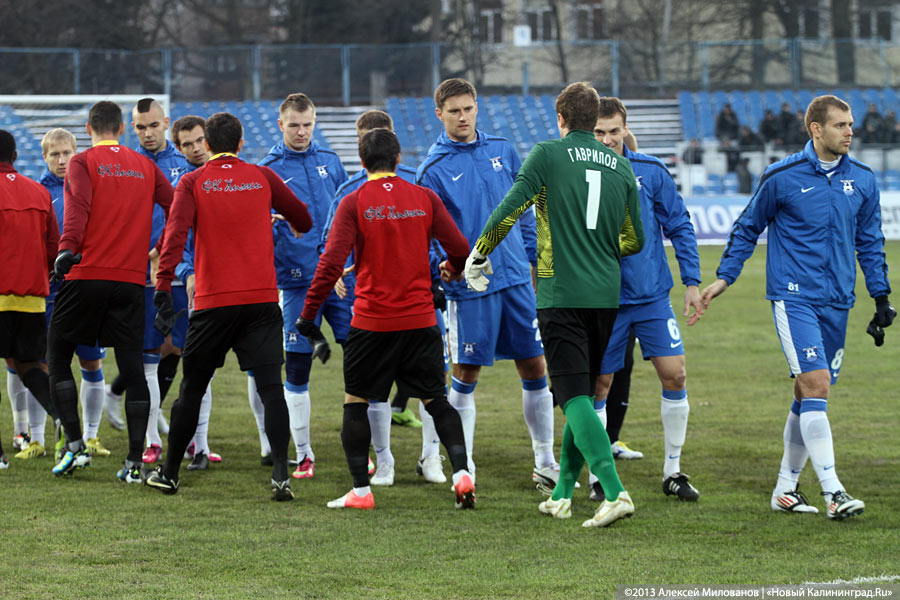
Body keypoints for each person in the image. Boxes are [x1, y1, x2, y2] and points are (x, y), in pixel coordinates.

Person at [700, 95, 894, 519]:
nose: (850, 132)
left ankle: (785, 488)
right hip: (793, 297)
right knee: (818, 384)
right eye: (841, 125)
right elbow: (747, 226)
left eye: (851, 124)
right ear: (816, 129)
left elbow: (870, 241)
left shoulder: (861, 179)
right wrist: (724, 278)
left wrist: (881, 296)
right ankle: (833, 491)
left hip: (839, 299)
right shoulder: (782, 176)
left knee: (808, 393)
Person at [466, 81, 644, 527]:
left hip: (561, 292)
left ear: (561, 119)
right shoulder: (621, 168)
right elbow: (634, 239)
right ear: (594, 119)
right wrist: (599, 248)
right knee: (580, 391)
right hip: (606, 295)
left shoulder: (547, 154)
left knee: (570, 395)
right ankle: (562, 493)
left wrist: (480, 250)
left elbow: (511, 206)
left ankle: (615, 490)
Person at [298, 128, 474, 510]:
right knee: (436, 400)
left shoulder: (353, 200)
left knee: (356, 402)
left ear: (361, 164)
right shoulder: (423, 197)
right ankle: (462, 474)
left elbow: (330, 264)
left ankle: (361, 491)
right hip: (421, 320)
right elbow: (460, 248)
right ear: (398, 160)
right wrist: (452, 267)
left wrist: (308, 315)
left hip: (372, 323)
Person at [145, 112, 312, 501]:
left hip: (213, 302)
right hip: (261, 300)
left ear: (207, 145)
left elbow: (175, 235)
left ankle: (169, 474)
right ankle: (282, 476)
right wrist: (283, 220)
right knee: (272, 389)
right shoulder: (264, 177)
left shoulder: (193, 181)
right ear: (240, 144)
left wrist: (163, 281)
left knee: (192, 388)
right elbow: (303, 216)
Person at [417, 78, 557, 491]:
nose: (463, 117)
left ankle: (546, 461)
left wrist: (533, 262)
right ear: (439, 113)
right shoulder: (432, 170)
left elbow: (527, 211)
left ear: (477, 108)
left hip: (516, 280)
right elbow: (422, 235)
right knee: (465, 371)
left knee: (535, 366)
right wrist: (439, 266)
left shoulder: (504, 150)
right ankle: (465, 466)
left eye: (469, 109)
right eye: (454, 111)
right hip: (472, 288)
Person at [46, 101, 173, 480]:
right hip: (131, 280)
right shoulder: (146, 165)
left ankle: (74, 445)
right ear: (122, 128)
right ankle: (135, 462)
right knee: (132, 368)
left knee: (57, 357)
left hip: (86, 274)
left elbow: (78, 208)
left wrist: (66, 249)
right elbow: (178, 206)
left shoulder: (83, 163)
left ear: (89, 129)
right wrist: (161, 247)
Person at [323, 109, 450, 487]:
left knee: (435, 379)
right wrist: (339, 274)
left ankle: (431, 457)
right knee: (370, 386)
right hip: (373, 303)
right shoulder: (348, 192)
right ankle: (385, 460)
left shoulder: (419, 183)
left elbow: (439, 237)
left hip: (421, 299)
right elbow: (331, 244)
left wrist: (440, 270)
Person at [591, 97, 703, 503]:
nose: (607, 140)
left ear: (626, 130)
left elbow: (680, 224)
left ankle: (673, 470)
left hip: (652, 297)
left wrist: (692, 281)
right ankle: (597, 475)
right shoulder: (579, 176)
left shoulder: (651, 172)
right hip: (602, 299)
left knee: (675, 375)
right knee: (600, 385)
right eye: (599, 132)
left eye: (614, 131)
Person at [257, 92, 349, 480]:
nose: (301, 131)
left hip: (341, 281)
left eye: (307, 124)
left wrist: (348, 266)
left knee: (362, 357)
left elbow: (350, 213)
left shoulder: (330, 162)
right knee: (296, 368)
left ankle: (367, 448)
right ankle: (304, 453)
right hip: (295, 285)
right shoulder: (268, 170)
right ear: (281, 125)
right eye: (293, 124)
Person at [12, 129, 112, 462]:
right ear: (44, 157)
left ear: (75, 151)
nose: (62, 159)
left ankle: (91, 435)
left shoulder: (89, 186)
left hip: (83, 290)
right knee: (40, 365)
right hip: (48, 292)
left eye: (67, 152)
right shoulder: (37, 193)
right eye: (54, 154)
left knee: (91, 361)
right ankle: (36, 438)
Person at [105, 98, 189, 463]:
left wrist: (162, 250)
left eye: (153, 125)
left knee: (177, 347)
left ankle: (128, 395)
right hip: (137, 270)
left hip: (178, 268)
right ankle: (152, 433)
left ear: (165, 123)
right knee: (149, 351)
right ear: (131, 128)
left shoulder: (182, 164)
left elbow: (182, 215)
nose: (148, 133)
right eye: (140, 127)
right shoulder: (125, 165)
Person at [0, 129, 61, 470]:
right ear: (15, 157)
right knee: (29, 367)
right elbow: (54, 249)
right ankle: (62, 420)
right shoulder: (39, 193)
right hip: (31, 298)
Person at [169, 114, 221, 471]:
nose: (194, 149)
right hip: (194, 288)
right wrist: (188, 271)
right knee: (191, 368)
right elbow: (179, 239)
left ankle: (198, 445)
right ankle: (193, 447)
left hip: (232, 288)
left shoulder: (229, 177)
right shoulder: (185, 183)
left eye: (199, 141)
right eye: (186, 144)